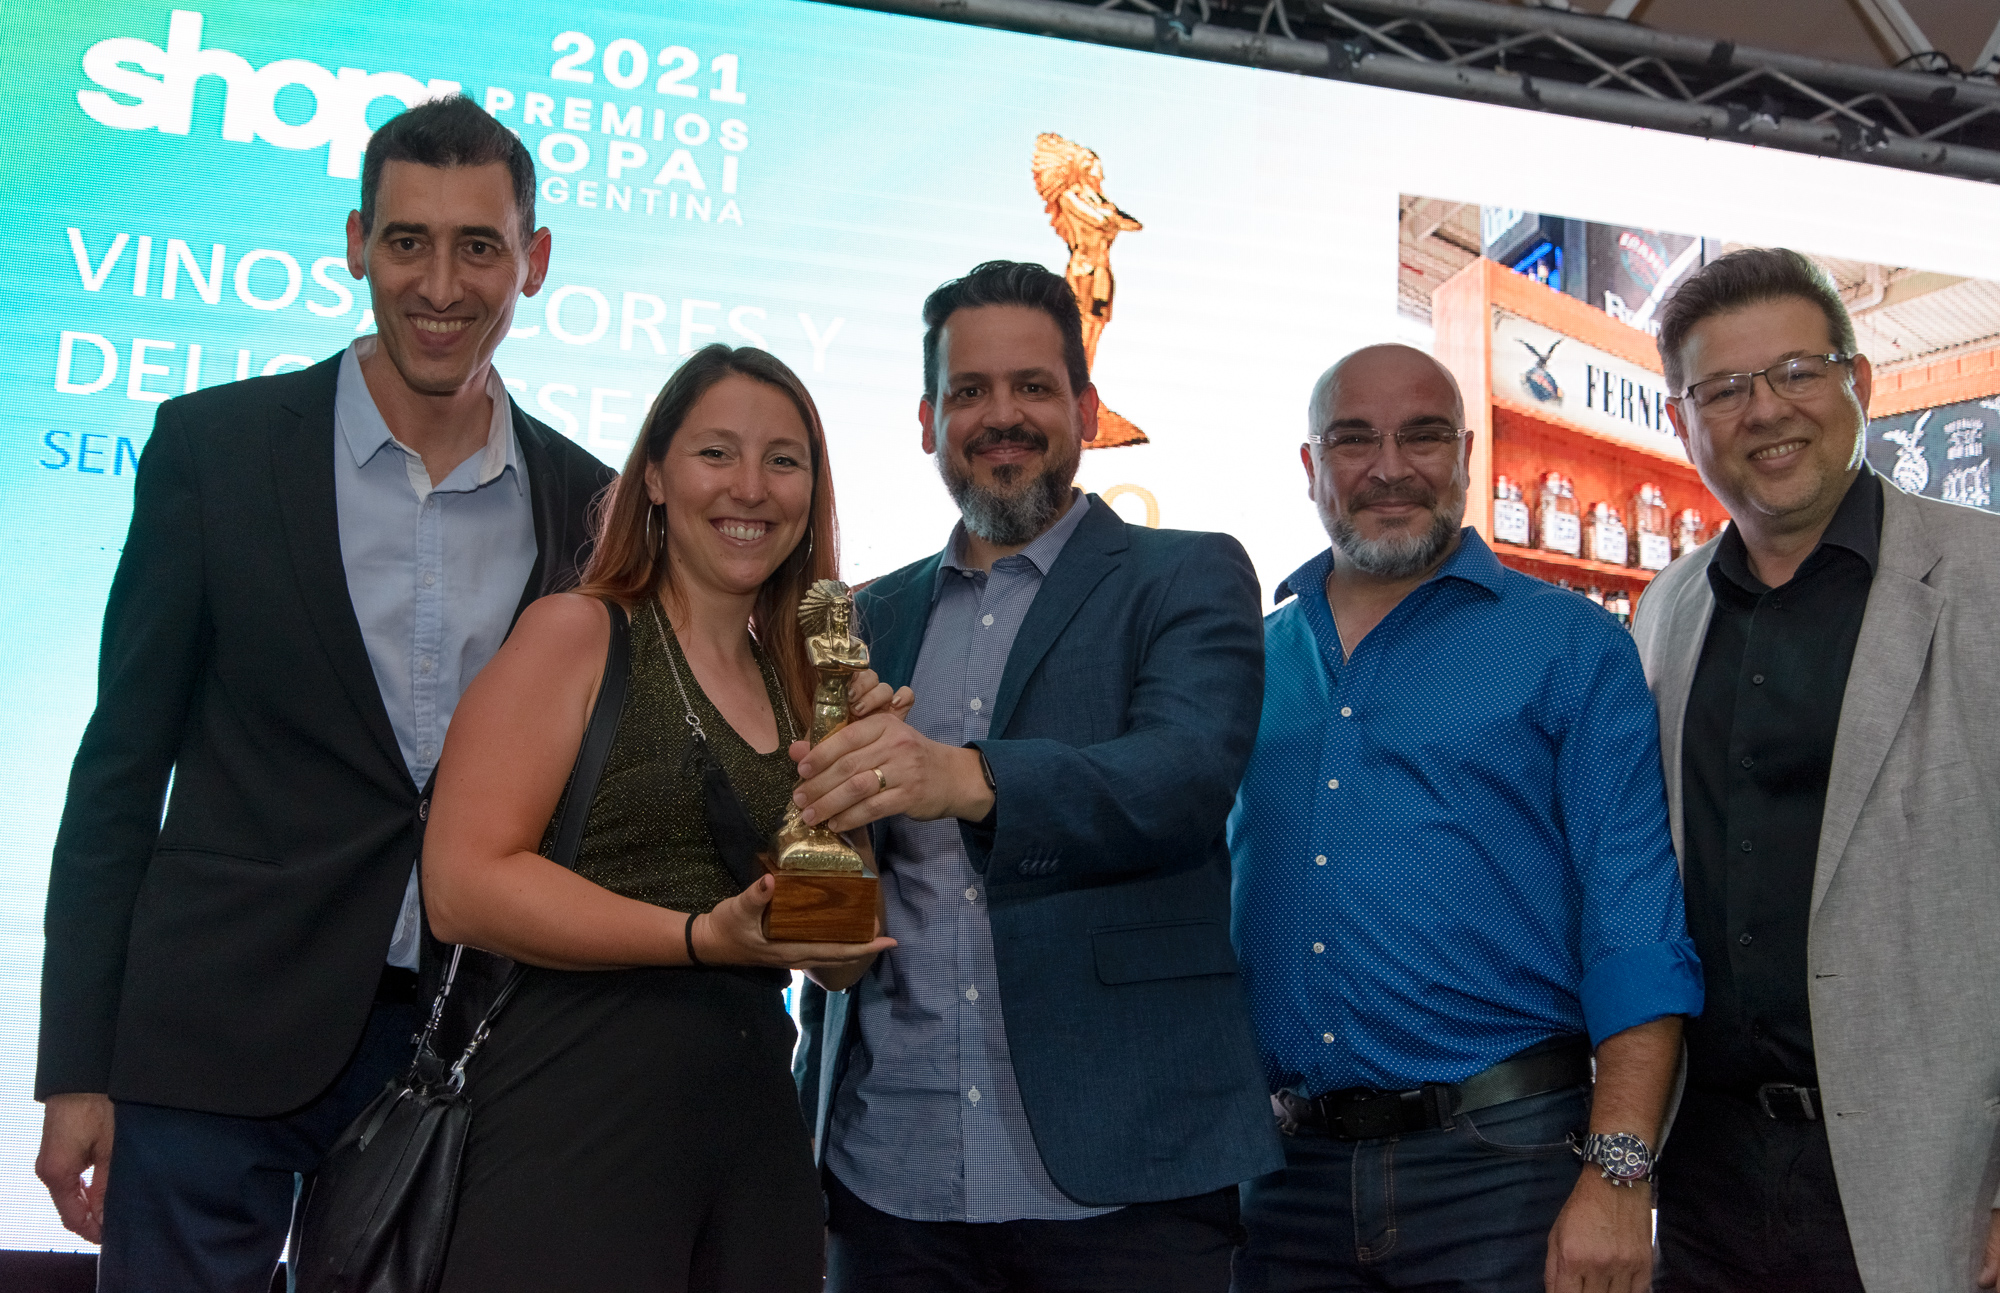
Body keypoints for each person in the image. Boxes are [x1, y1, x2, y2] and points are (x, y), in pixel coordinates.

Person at [31, 95, 612, 1290]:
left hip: (461, 1056)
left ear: (535, 260)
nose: (439, 285)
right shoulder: (215, 450)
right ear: (355, 244)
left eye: (478, 246)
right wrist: (76, 1063)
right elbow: (120, 768)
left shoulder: (589, 506)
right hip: (207, 1038)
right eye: (406, 241)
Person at [789, 258, 1283, 1293]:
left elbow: (1182, 778)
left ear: (1086, 411)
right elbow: (836, 872)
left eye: (1031, 387)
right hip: (889, 1183)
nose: (1000, 415)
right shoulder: (864, 618)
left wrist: (965, 778)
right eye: (969, 390)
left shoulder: (1186, 575)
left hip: (1125, 1186)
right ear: (927, 421)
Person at [1228, 343, 1704, 1293]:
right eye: (1354, 439)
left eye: (1423, 436)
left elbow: (1635, 927)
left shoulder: (1571, 645)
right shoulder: (1244, 662)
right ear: (1311, 465)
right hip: (1283, 1181)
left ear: (1466, 454)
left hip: (1505, 1171)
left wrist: (1620, 1175)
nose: (1390, 468)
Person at [421, 344, 895, 1291]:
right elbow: (460, 887)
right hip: (573, 1117)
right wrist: (697, 936)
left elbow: (840, 958)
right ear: (654, 477)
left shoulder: (805, 685)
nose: (750, 487)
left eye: (783, 460)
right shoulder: (578, 632)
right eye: (716, 453)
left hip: (752, 1132)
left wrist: (859, 783)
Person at [1635, 247, 2000, 1293]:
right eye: (1723, 389)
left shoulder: (1983, 581)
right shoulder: (1665, 611)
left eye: (1797, 371)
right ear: (1683, 423)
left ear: (1859, 383)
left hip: (1924, 1176)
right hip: (1703, 1178)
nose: (1765, 409)